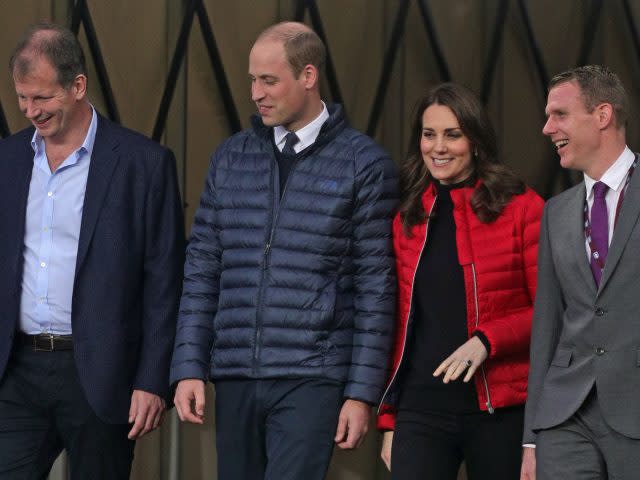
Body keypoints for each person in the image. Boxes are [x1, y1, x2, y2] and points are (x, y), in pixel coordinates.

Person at [170, 21, 397, 480]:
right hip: (235, 374)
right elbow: (202, 269)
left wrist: (361, 394)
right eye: (252, 79)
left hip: (311, 376)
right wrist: (188, 366)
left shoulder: (364, 164)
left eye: (268, 80)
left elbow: (376, 287)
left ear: (308, 76)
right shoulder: (231, 157)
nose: (256, 93)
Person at [0, 24, 184, 479]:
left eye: (41, 98)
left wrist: (151, 380)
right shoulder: (7, 159)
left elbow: (164, 281)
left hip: (102, 373)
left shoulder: (145, 164)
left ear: (78, 86)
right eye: (22, 98)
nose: (30, 111)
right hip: (15, 371)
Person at [377, 83, 543, 479]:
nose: (439, 147)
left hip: (500, 409)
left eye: (452, 134)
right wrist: (390, 421)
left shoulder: (522, 207)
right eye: (429, 133)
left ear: (476, 140)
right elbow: (398, 324)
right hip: (421, 410)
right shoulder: (406, 219)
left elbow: (553, 312)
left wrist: (487, 340)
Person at [521, 66, 640, 480]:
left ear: (603, 115)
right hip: (563, 417)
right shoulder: (556, 211)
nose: (546, 128)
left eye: (560, 115)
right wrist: (531, 438)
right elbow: (547, 325)